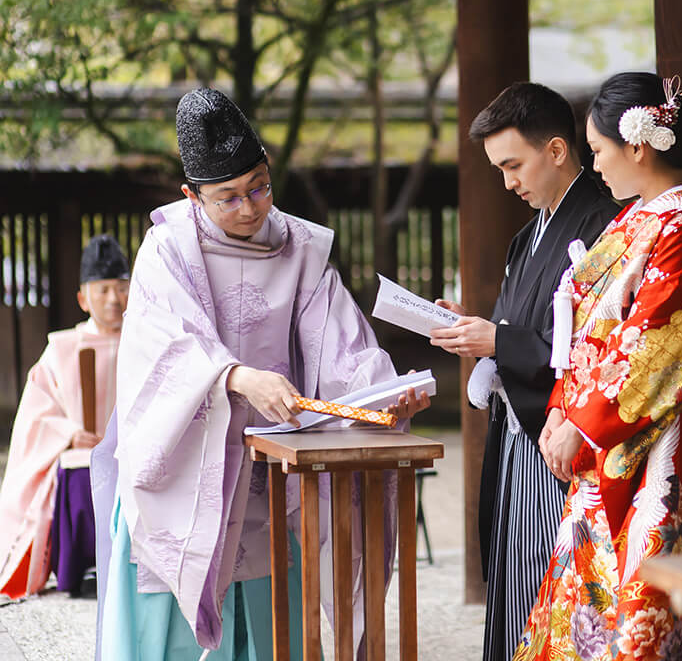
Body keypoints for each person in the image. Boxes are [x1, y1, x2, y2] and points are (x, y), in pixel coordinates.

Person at [90, 88, 429, 660]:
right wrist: (237, 376)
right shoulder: (166, 248)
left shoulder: (300, 247)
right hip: (186, 460)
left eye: (260, 187)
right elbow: (167, 347)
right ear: (191, 195)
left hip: (273, 466)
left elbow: (340, 341)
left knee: (276, 612)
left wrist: (381, 396)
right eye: (228, 198)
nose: (250, 208)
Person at [515, 73, 682, 661]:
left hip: (671, 443)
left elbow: (656, 344)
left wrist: (583, 422)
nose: (595, 166)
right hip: (615, 435)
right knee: (594, 599)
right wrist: (560, 409)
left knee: (651, 604)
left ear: (638, 146)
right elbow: (588, 332)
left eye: (597, 151)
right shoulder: (635, 222)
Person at [428, 82, 619, 661]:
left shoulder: (607, 223)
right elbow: (530, 329)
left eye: (513, 164)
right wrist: (480, 329)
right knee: (514, 584)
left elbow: (598, 350)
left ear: (557, 150)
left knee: (549, 586)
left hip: (561, 435)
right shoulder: (526, 235)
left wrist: (499, 340)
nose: (508, 181)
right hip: (519, 436)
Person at [0, 234, 129, 601]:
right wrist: (69, 433)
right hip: (83, 451)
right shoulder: (62, 348)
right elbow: (36, 412)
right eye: (102, 289)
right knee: (77, 474)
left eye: (121, 288)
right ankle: (77, 569)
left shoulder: (145, 341)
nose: (113, 299)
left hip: (137, 450)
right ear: (83, 298)